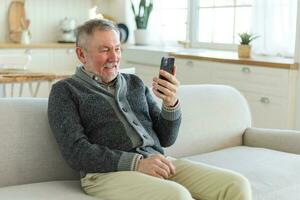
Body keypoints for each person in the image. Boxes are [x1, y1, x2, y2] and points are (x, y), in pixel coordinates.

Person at [48, 19, 252, 200]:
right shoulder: (64, 91)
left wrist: (170, 103)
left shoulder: (135, 83)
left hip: (158, 162)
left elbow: (166, 138)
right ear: (81, 54)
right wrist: (136, 163)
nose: (114, 57)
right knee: (176, 196)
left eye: (117, 49)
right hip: (106, 174)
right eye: (104, 50)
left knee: (236, 185)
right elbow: (76, 152)